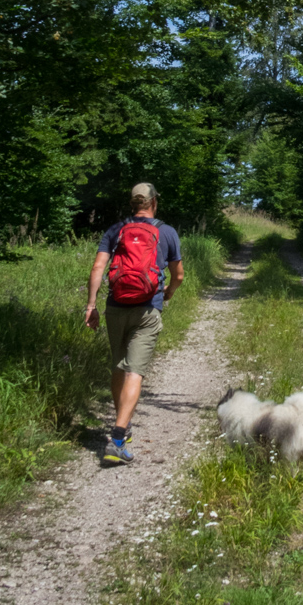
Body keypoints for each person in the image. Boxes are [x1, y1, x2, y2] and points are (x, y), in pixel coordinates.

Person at [84, 182, 184, 465]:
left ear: (133, 204)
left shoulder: (116, 231)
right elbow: (178, 275)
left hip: (116, 307)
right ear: (154, 202)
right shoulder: (166, 232)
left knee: (119, 364)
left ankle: (123, 425)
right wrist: (168, 294)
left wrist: (91, 306)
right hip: (146, 309)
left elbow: (97, 268)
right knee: (134, 371)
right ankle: (117, 439)